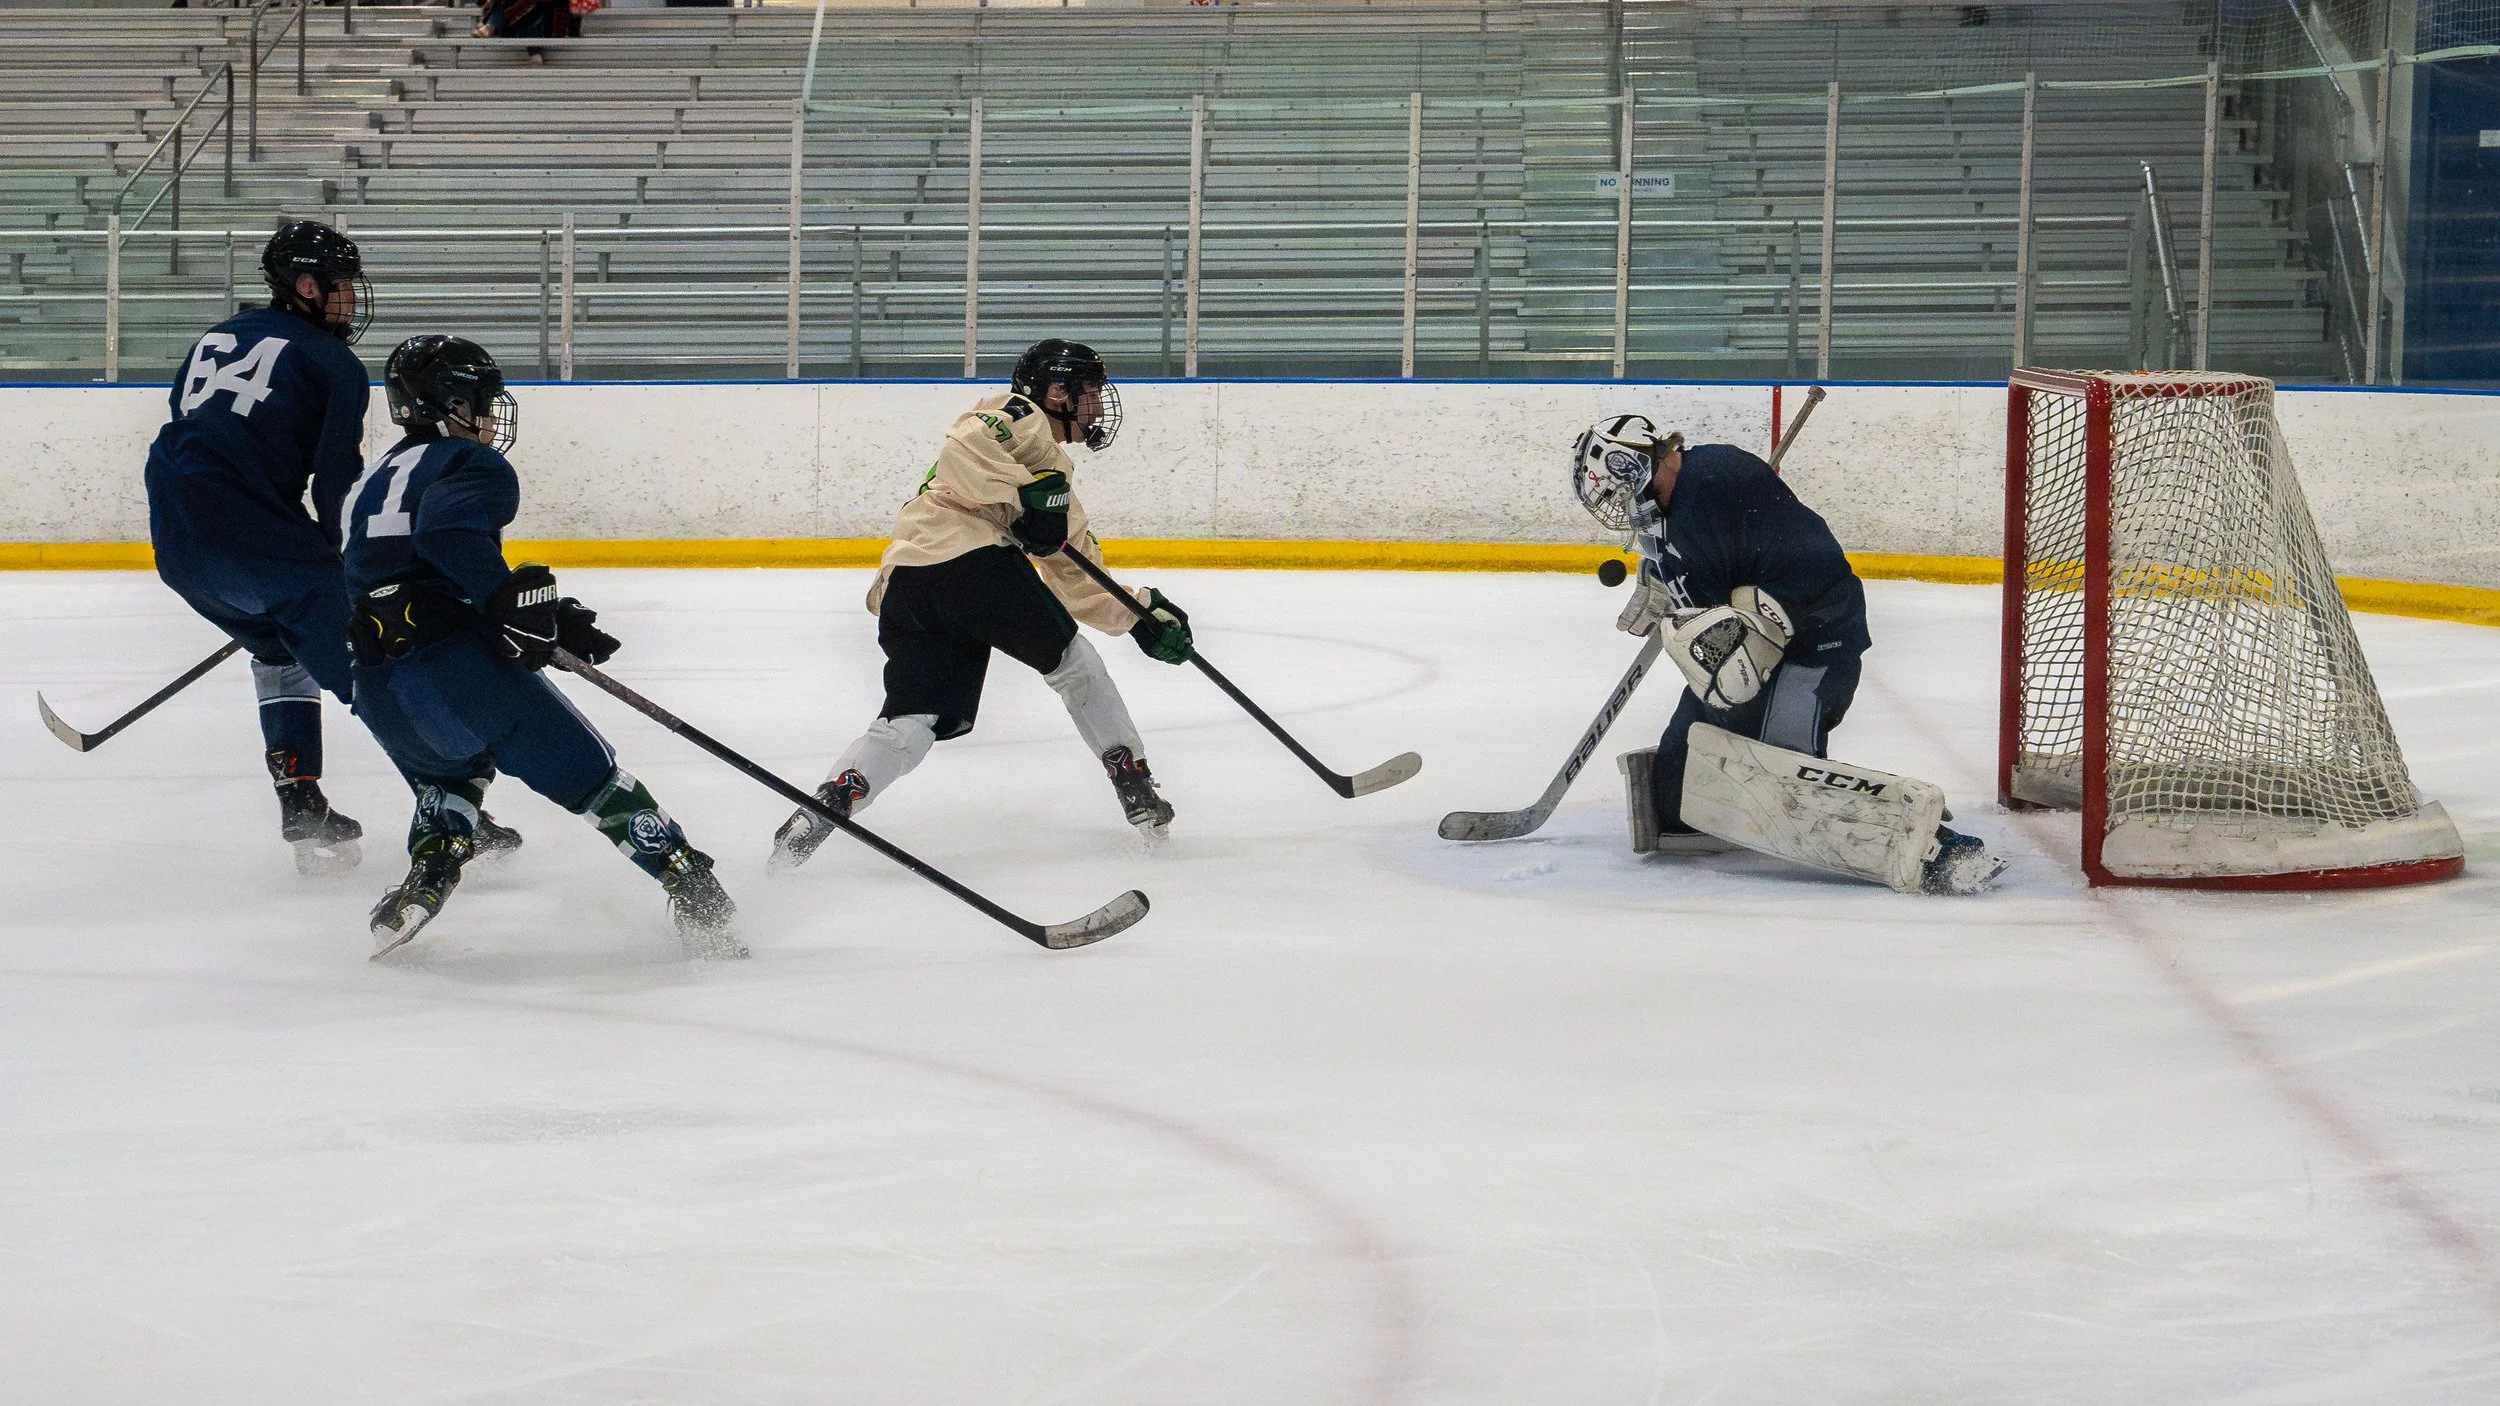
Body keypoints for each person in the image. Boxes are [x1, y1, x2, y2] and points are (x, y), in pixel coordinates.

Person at [343, 334, 743, 959]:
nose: (488, 411)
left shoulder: (372, 481)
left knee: (451, 773)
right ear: (448, 403)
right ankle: (693, 884)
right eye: (478, 398)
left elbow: (381, 576)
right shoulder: (472, 464)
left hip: (377, 684)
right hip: (459, 670)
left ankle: (431, 871)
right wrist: (506, 603)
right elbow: (448, 539)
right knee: (594, 780)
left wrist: (543, 612)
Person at [143, 220, 520, 879]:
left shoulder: (218, 335)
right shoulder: (334, 364)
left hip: (176, 541)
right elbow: (337, 481)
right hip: (257, 537)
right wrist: (352, 566)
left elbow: (192, 426)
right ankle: (449, 809)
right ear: (307, 286)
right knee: (371, 669)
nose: (351, 300)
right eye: (341, 286)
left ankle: (302, 802)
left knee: (275, 650)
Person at [768, 338, 1194, 871]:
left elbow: (1074, 570)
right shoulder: (1020, 413)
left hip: (910, 584)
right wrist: (1025, 497)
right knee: (1073, 665)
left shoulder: (1052, 474)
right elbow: (964, 446)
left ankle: (831, 801)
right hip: (972, 565)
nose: (1095, 404)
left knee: (910, 723)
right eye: (1087, 391)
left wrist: (1139, 616)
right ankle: (1131, 777)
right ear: (1055, 391)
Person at [1574, 413, 2004, 895]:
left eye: (1620, 485)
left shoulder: (1712, 484)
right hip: (1758, 644)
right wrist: (1662, 577)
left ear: (1635, 464)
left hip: (1817, 641)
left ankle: (1941, 847)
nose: (1623, 503)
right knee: (1674, 798)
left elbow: (1732, 582)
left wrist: (1685, 597)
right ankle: (1734, 802)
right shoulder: (1687, 495)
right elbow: (1703, 571)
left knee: (1791, 784)